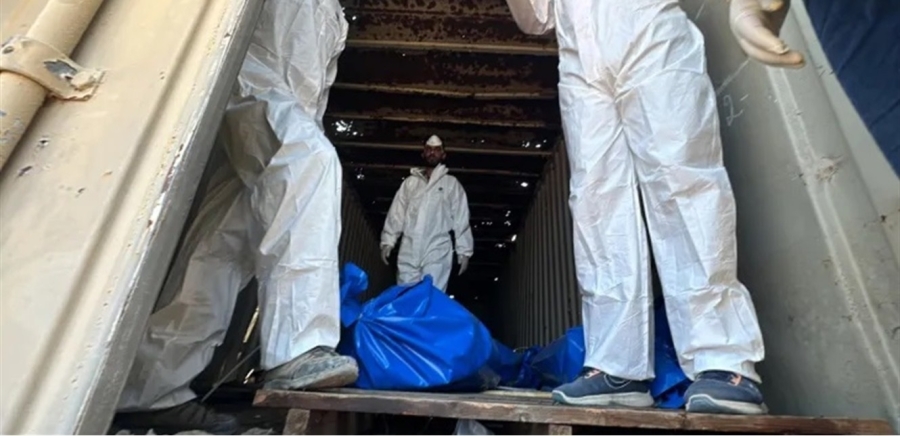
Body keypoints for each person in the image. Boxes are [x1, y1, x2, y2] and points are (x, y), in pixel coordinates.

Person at [504, 0, 804, 415]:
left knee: (683, 187)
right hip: (579, 60)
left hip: (646, 27)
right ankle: (617, 367)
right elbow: (538, 18)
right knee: (597, 208)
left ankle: (724, 361)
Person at [114, 0, 356, 433]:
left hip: (286, 108)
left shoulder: (334, 15)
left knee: (220, 249)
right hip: (248, 76)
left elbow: (312, 86)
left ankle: (150, 391)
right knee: (308, 160)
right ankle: (298, 349)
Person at [380, 135, 475, 293]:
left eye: (437, 150)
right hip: (409, 248)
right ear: (423, 153)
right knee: (406, 294)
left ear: (443, 155)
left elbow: (461, 217)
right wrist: (388, 241)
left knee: (432, 293)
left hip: (437, 248)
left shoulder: (451, 184)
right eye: (429, 149)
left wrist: (464, 250)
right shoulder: (410, 183)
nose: (432, 152)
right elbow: (397, 213)